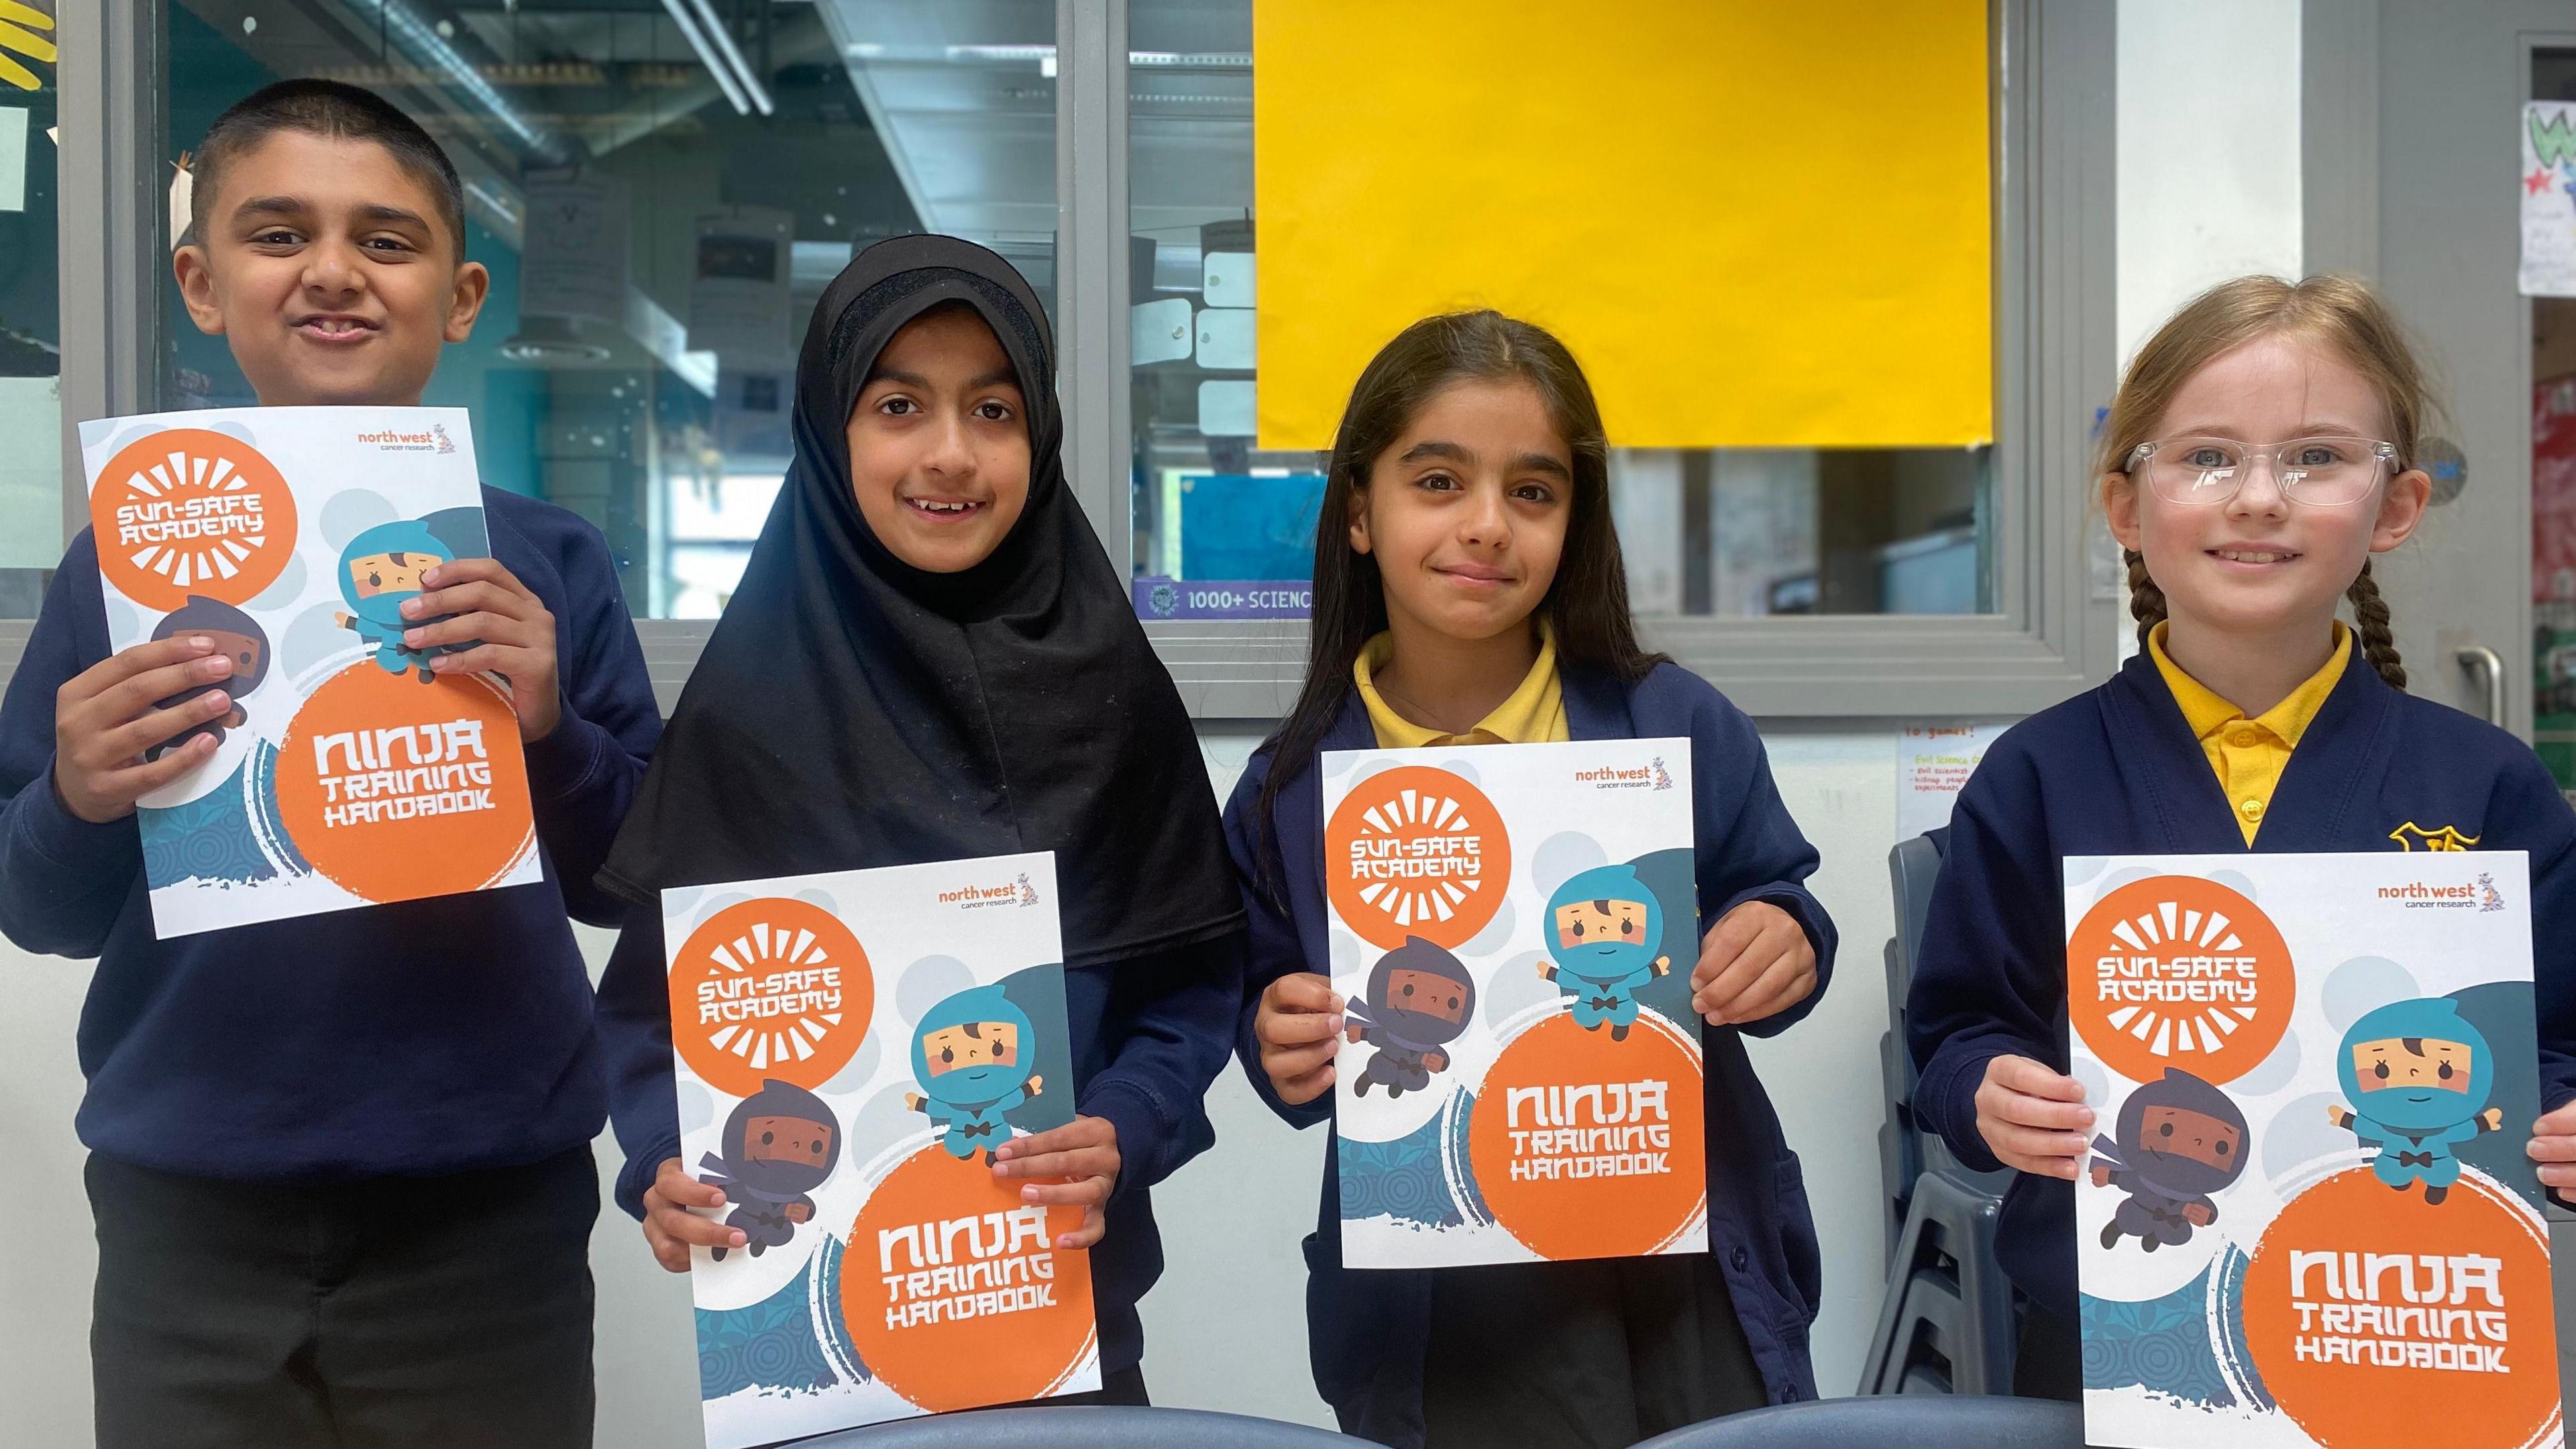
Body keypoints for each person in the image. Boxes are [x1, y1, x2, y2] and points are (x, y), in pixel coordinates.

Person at [0, 79, 660, 1447]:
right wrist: (75, 795)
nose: (333, 274)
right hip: (190, 1206)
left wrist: (550, 731)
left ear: (463, 295)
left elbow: (632, 882)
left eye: (388, 240)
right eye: (278, 233)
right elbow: (39, 911)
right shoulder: (120, 572)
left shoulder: (546, 565)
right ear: (200, 282)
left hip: (487, 1208)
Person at [594, 234, 1247, 1407]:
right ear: (830, 427)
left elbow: (1190, 984)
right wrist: (659, 1161)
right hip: (806, 1351)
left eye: (993, 410)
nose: (951, 454)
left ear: (1039, 438)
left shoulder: (1113, 690)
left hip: (1063, 1324)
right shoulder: (748, 708)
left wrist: (1124, 1123)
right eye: (900, 405)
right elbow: (653, 1013)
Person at [1905, 273, 2576, 1399]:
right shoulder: (2037, 777)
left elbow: (2553, 1043)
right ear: (2129, 508)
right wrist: (1988, 1094)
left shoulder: (2491, 789)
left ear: (2396, 506)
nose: (2259, 497)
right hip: (2115, 1336)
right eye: (2207, 455)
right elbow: (1959, 1033)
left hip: (2406, 1321)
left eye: (2317, 457)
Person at [1232, 310, 1837, 1448]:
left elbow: (1785, 903)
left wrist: (1783, 938)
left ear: (1575, 521)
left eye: (1533, 492)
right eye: (1438, 481)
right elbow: (1267, 1020)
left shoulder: (1673, 722)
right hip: (1449, 1299)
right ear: (1360, 511)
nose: (1486, 527)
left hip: (1685, 1269)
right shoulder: (1289, 792)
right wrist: (1278, 1037)